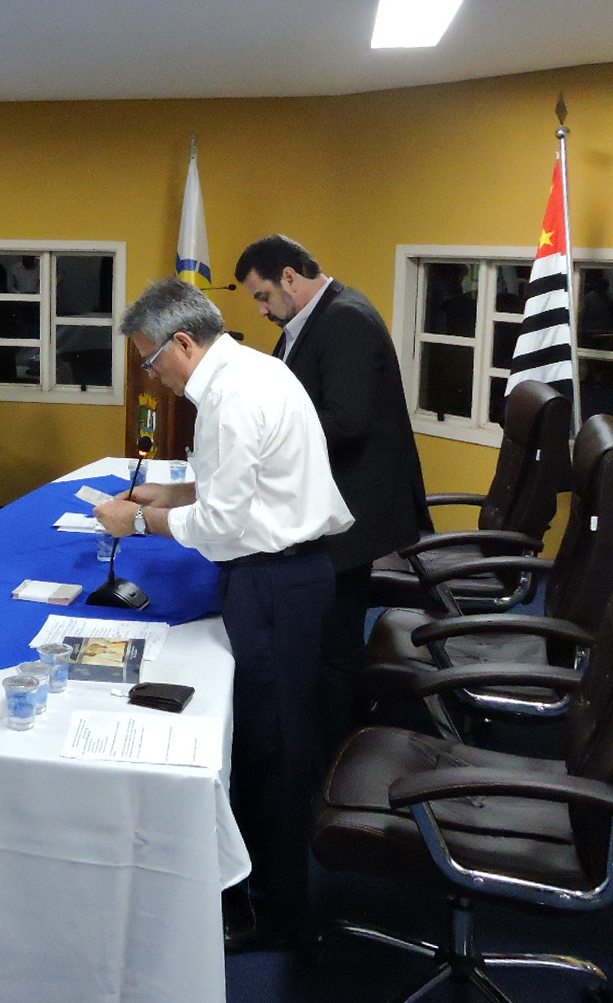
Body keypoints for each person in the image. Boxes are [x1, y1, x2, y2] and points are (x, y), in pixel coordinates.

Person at [93, 278, 351, 952]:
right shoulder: (249, 372)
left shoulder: (230, 398)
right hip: (284, 572)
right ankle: (258, 885)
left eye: (153, 363)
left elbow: (222, 522)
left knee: (273, 748)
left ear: (183, 342)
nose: (154, 379)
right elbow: (238, 485)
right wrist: (168, 492)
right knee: (267, 738)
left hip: (276, 580)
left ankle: (276, 912)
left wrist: (136, 521)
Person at [235, 235, 429, 764]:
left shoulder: (346, 320)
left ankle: (334, 756)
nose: (262, 310)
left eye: (263, 297)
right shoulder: (310, 320)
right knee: (325, 638)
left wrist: (261, 435)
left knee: (335, 645)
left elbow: (344, 422)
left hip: (354, 511)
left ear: (290, 278)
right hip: (334, 500)